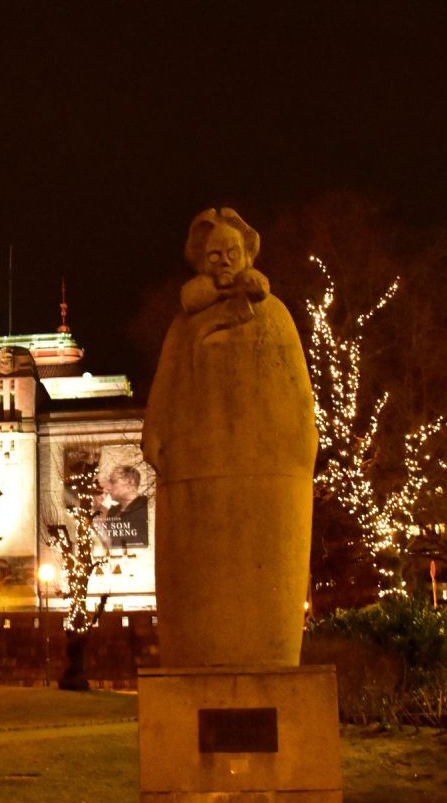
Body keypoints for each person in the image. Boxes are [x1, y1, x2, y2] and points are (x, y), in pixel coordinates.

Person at [142, 207, 317, 667]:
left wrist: (304, 444)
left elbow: (298, 389)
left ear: (247, 255)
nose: (223, 263)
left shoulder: (273, 314)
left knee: (267, 563)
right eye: (214, 255)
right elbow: (166, 382)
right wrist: (154, 430)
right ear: (201, 261)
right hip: (196, 465)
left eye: (232, 253)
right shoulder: (185, 324)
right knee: (202, 570)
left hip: (269, 467)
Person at [96, 464, 149, 548]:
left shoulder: (146, 508)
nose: (108, 487)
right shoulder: (112, 511)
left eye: (113, 482)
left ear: (129, 482)